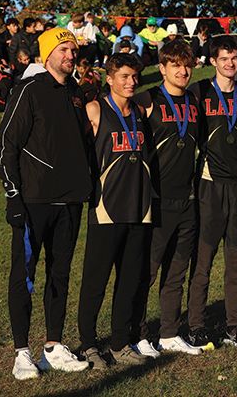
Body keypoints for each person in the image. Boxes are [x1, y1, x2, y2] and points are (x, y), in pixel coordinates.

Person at [0, 27, 92, 380]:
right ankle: (22, 352)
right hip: (33, 200)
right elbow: (6, 146)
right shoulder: (29, 89)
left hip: (70, 201)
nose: (70, 55)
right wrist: (13, 196)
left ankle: (52, 346)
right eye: (63, 49)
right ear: (47, 54)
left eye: (73, 50)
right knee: (24, 275)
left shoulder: (76, 93)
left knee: (60, 274)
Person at [77, 53, 154, 369]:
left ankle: (121, 342)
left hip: (138, 207)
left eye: (135, 76)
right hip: (106, 208)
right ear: (109, 78)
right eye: (124, 76)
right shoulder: (95, 110)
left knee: (129, 279)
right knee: (95, 280)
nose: (131, 82)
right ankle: (89, 344)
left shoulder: (139, 111)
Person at [132, 40, 204, 357]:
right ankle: (136, 332)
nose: (182, 70)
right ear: (161, 68)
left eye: (186, 64)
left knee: (176, 271)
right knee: (146, 271)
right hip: (156, 199)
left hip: (187, 199)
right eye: (175, 64)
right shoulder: (148, 99)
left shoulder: (193, 100)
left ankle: (170, 332)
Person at [187, 35, 237, 348]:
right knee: (203, 261)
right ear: (213, 61)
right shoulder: (199, 91)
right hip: (209, 183)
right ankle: (195, 325)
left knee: (236, 261)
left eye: (234, 58)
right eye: (224, 58)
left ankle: (234, 325)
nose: (230, 64)